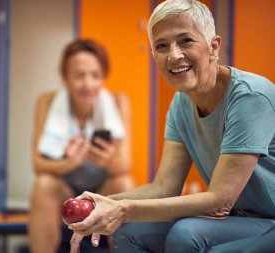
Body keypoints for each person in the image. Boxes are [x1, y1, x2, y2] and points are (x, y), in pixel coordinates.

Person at [69, 0, 275, 252]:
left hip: (268, 222)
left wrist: (124, 209)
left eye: (186, 41)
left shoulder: (250, 96)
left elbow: (220, 201)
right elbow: (164, 187)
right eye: (162, 46)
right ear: (154, 55)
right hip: (238, 218)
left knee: (186, 234)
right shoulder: (181, 103)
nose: (174, 55)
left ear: (213, 46)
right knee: (131, 232)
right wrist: (101, 203)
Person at [28, 39, 135, 253]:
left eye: (95, 75)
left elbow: (124, 165)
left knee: (125, 183)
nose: (88, 84)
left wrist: (106, 161)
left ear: (103, 77)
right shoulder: (47, 102)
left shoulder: (118, 102)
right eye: (79, 76)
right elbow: (38, 165)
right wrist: (70, 162)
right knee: (43, 185)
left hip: (104, 190)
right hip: (64, 189)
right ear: (66, 78)